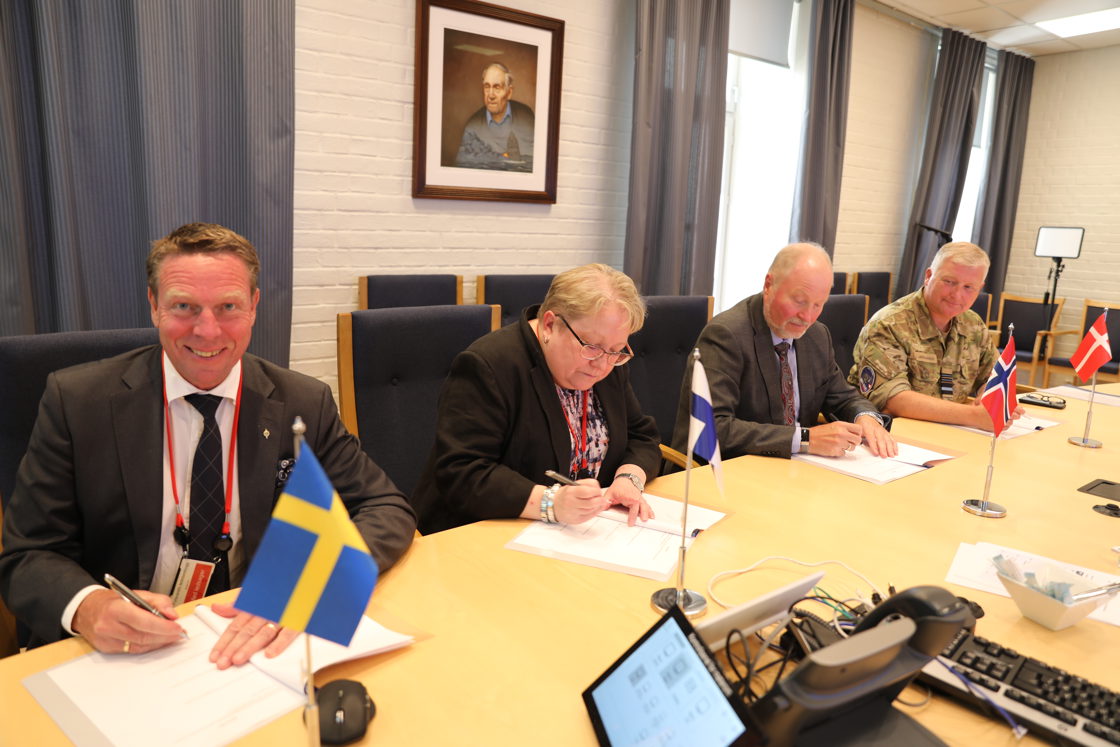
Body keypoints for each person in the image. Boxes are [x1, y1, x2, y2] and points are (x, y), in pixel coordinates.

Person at [0, 223, 416, 666]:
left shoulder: (303, 401)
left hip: (248, 638)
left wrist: (308, 585)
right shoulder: (77, 401)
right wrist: (88, 606)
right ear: (154, 306)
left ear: (254, 307)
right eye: (184, 306)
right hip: (119, 651)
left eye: (228, 307)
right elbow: (29, 553)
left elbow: (385, 507)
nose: (208, 330)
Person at [412, 264, 661, 535]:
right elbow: (463, 473)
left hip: (579, 532)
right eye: (591, 347)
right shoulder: (489, 365)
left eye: (616, 350)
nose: (602, 365)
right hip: (478, 532)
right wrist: (550, 503)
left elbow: (641, 436)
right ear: (550, 324)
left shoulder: (608, 359)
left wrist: (629, 478)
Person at [671, 243, 896, 460]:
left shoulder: (817, 335)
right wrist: (804, 439)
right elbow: (712, 428)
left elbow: (843, 397)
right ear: (769, 285)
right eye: (799, 301)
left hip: (794, 468)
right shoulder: (726, 335)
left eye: (818, 305)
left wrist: (865, 416)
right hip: (725, 469)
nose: (807, 317)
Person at [847, 242, 1023, 430]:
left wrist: (990, 400)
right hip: (890, 433)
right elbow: (894, 400)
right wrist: (975, 416)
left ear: (979, 288)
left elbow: (993, 376)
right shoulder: (889, 324)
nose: (957, 295)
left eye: (968, 287)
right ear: (928, 276)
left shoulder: (973, 324)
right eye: (949, 282)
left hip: (951, 430)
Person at [455, 62, 535, 172]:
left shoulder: (527, 117)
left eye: (497, 87)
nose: (491, 95)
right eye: (487, 87)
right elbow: (462, 169)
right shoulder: (472, 126)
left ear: (509, 92)